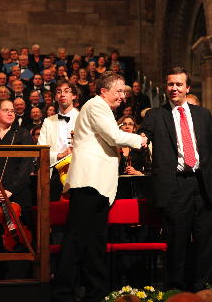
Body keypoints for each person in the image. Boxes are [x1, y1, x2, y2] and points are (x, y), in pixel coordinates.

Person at [53, 71, 146, 302]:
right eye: (119, 91)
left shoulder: (101, 108)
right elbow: (115, 136)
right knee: (76, 240)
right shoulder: (96, 105)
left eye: (125, 92)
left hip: (97, 185)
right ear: (104, 91)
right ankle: (63, 293)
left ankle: (96, 293)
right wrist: (140, 140)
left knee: (94, 243)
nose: (123, 96)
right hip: (89, 183)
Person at [139, 66, 212, 291]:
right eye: (170, 84)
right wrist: (141, 139)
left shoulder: (203, 114)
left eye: (179, 84)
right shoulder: (156, 114)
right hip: (176, 185)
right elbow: (144, 134)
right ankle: (177, 289)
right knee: (177, 241)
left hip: (203, 184)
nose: (174, 88)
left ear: (187, 87)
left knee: (205, 241)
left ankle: (203, 288)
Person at [0, 100, 35, 258]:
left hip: (18, 197)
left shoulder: (22, 134)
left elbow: (26, 167)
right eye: (6, 110)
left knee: (21, 244)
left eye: (12, 110)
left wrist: (10, 190)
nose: (11, 113)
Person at [37, 79, 79, 201]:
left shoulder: (83, 119)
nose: (62, 94)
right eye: (59, 92)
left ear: (74, 95)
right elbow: (41, 150)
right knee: (54, 212)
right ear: (55, 97)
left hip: (78, 171)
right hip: (54, 172)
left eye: (67, 91)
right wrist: (60, 155)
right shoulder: (48, 121)